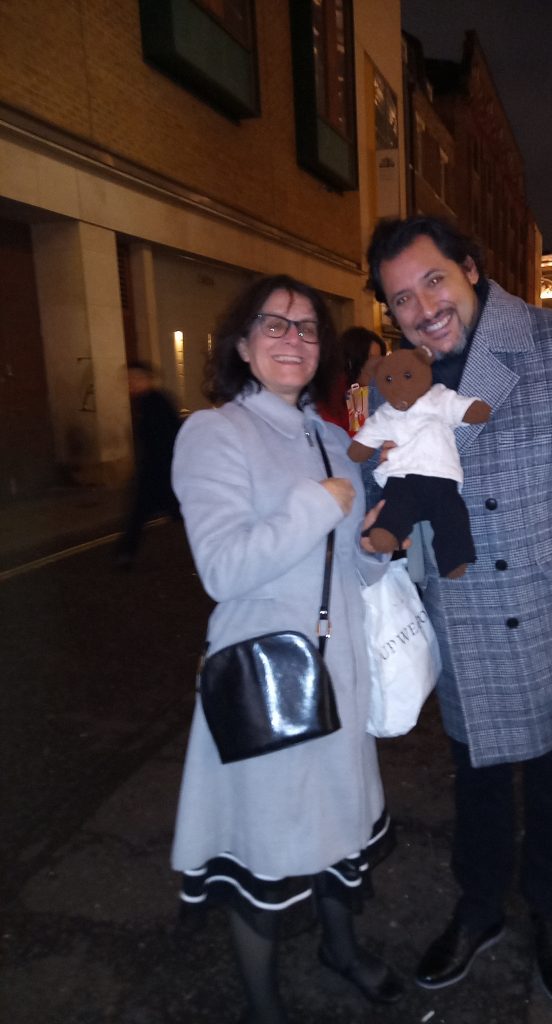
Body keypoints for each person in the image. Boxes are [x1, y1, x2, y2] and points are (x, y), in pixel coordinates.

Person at [364, 216, 552, 1006]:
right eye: (402, 298)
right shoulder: (402, 376)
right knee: (479, 779)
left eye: (433, 281)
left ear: (470, 269)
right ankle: (481, 905)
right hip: (464, 619)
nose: (423, 307)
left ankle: (551, 912)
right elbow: (381, 487)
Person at [170, 275, 403, 1024]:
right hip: (267, 675)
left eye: (307, 328)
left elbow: (351, 566)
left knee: (336, 831)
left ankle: (341, 947)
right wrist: (318, 503)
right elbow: (222, 568)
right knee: (265, 849)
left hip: (340, 669)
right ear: (241, 345)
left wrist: (380, 542)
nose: (294, 339)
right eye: (275, 325)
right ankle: (264, 1006)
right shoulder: (214, 433)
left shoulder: (334, 436)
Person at [114, 361, 181, 567]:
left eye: (135, 379)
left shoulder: (158, 402)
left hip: (162, 471)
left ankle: (125, 553)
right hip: (156, 471)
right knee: (139, 513)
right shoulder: (145, 402)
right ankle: (125, 553)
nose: (130, 383)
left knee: (179, 512)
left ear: (146, 378)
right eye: (128, 379)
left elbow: (169, 437)